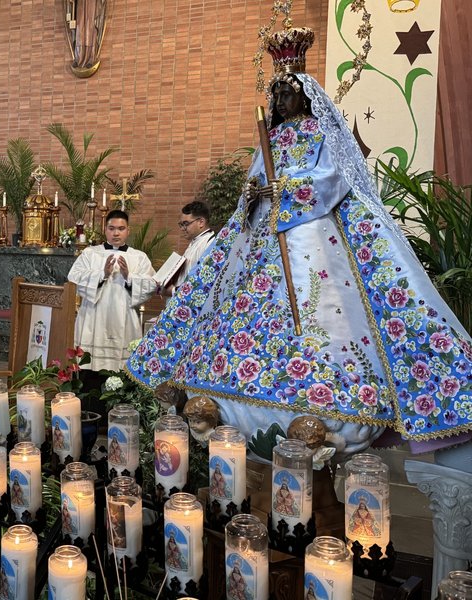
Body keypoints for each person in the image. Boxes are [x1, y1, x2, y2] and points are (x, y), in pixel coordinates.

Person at [126, 27, 472, 450]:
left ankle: (325, 390)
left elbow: (334, 177)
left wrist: (287, 191)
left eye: (286, 93)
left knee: (322, 308)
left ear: (305, 95)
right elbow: (255, 179)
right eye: (275, 95)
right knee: (238, 303)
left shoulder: (322, 131)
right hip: (262, 239)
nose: (279, 101)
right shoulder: (269, 137)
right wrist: (255, 192)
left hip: (310, 234)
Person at [67, 209, 156, 371]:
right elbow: (74, 277)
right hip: (94, 316)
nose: (116, 233)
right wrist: (102, 275)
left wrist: (129, 276)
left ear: (128, 230)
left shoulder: (139, 257)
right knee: (90, 368)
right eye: (111, 228)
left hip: (125, 318)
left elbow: (151, 285)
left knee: (123, 369)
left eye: (121, 229)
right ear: (105, 230)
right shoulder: (90, 254)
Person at [170, 200, 215, 290]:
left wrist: (173, 291)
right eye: (181, 224)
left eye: (186, 224)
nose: (183, 228)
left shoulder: (210, 243)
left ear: (201, 222)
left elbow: (204, 280)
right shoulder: (195, 242)